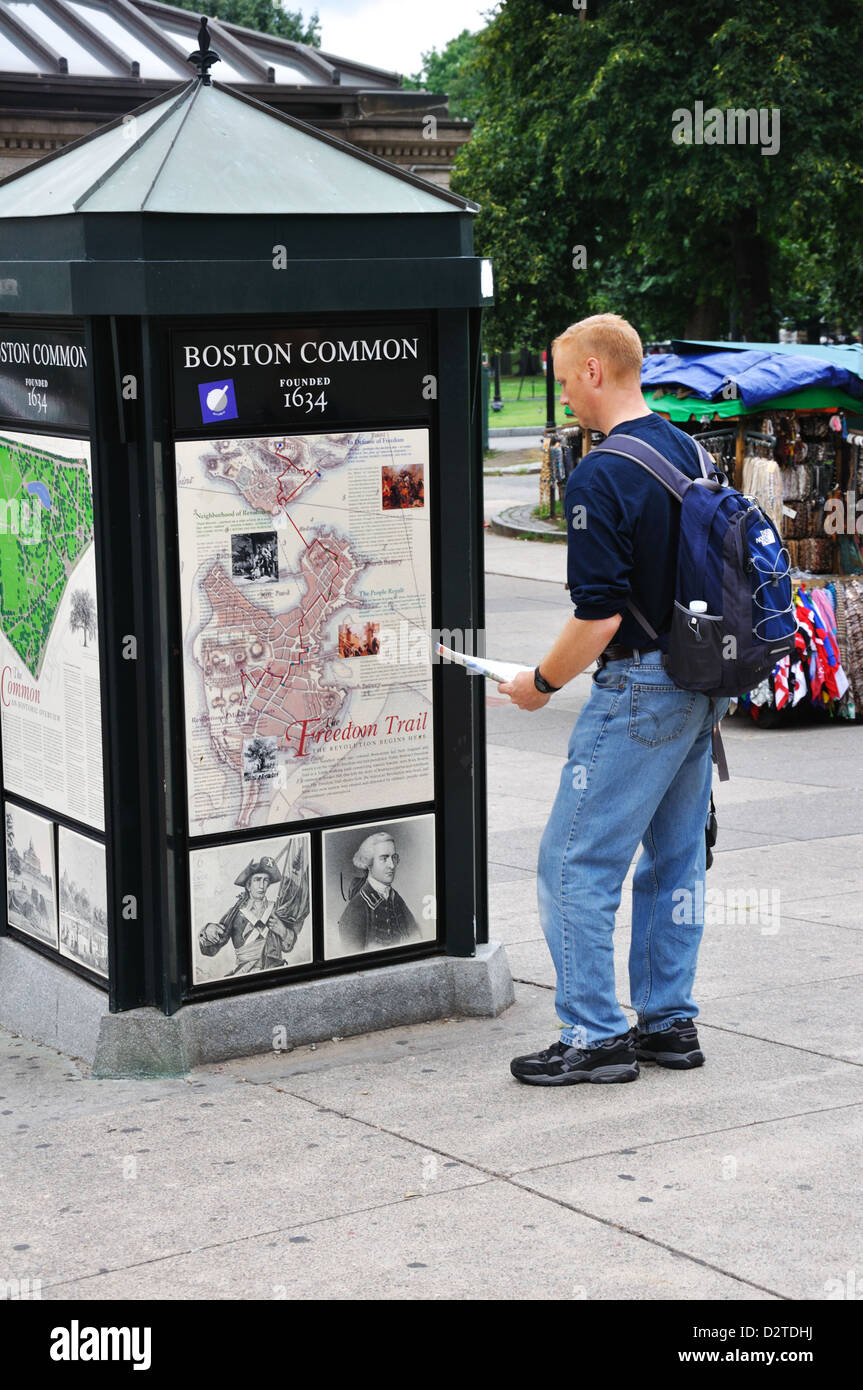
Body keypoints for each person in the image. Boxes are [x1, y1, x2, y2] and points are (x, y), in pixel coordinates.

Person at [499, 313, 730, 1087]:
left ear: (595, 371)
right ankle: (667, 1024)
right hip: (701, 685)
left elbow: (597, 617)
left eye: (566, 381)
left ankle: (594, 1036)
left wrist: (538, 684)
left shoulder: (600, 474)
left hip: (638, 689)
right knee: (674, 861)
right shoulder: (691, 451)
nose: (564, 397)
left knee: (572, 861)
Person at [337, 832, 420, 953]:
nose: (392, 865)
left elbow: (416, 938)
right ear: (369, 863)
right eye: (384, 858)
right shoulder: (355, 909)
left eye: (394, 857)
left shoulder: (397, 899)